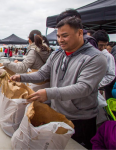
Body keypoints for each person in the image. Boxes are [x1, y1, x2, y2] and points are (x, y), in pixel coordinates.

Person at [10, 16, 107, 149]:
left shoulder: (95, 58)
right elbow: (42, 73)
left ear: (79, 33)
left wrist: (48, 93)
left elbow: (83, 88)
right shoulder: (57, 54)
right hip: (56, 114)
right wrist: (21, 77)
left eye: (65, 36)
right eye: (58, 36)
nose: (60, 40)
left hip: (80, 120)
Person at [92, 30, 115, 100]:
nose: (103, 47)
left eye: (105, 45)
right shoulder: (88, 53)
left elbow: (111, 74)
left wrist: (98, 84)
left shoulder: (108, 56)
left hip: (97, 88)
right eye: (101, 45)